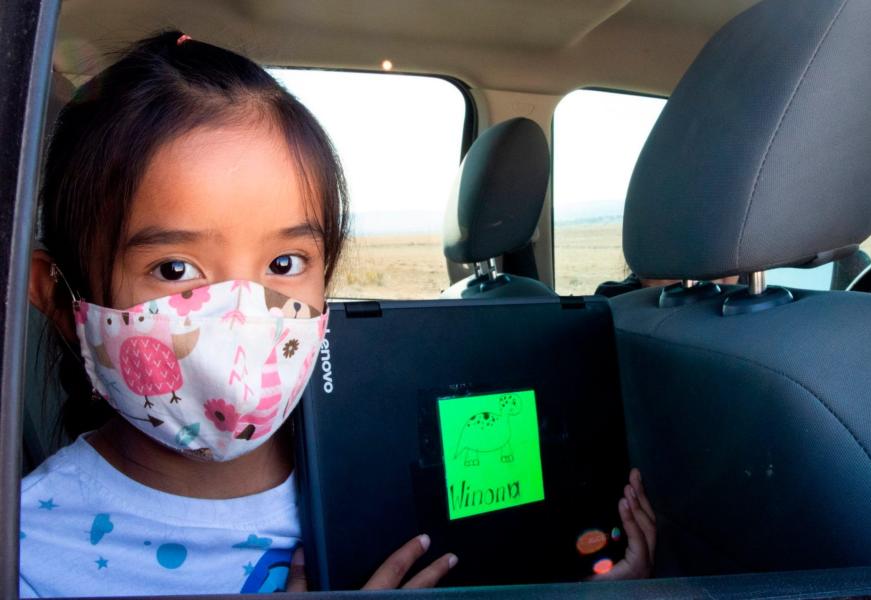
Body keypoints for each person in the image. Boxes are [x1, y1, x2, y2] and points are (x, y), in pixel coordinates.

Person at [19, 31, 656, 597]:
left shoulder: (376, 449)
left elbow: (512, 554)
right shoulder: (28, 550)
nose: (245, 322)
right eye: (176, 270)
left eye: (286, 263)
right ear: (57, 297)